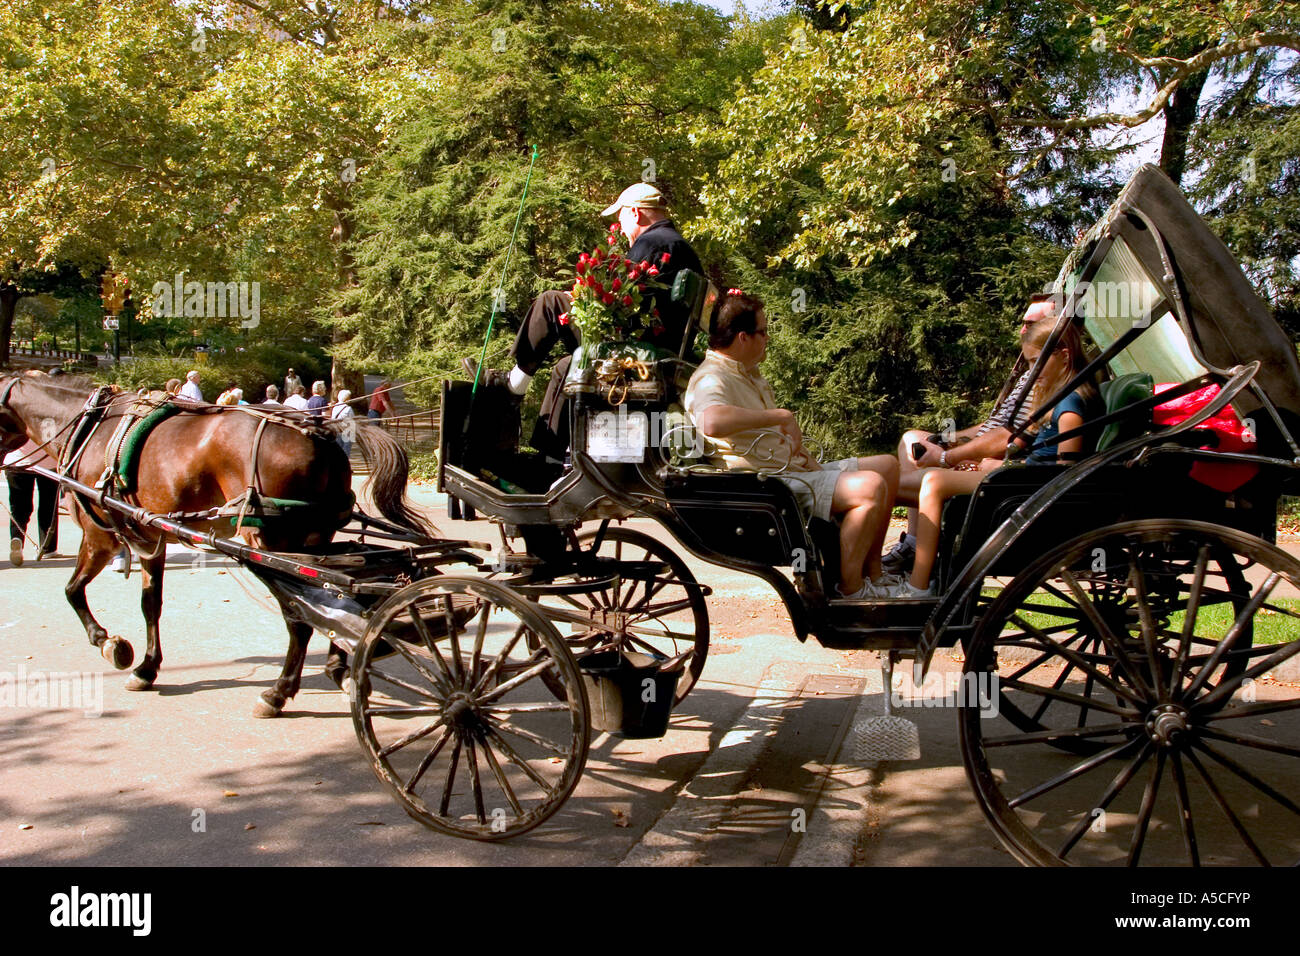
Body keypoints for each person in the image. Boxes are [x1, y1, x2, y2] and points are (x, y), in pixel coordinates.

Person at [684, 292, 904, 600]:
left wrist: (806, 456)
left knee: (889, 466)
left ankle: (874, 575)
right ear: (743, 338)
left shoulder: (747, 372)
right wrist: (781, 415)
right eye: (763, 331)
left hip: (792, 471)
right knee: (871, 487)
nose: (768, 338)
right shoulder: (711, 377)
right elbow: (711, 422)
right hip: (769, 485)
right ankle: (851, 589)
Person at [465, 183, 703, 459]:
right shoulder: (680, 246)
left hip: (634, 352)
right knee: (566, 367)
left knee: (551, 302)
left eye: (621, 219)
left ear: (635, 214)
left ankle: (512, 386)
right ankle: (550, 458)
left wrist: (581, 300)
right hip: (659, 354)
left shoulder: (653, 242)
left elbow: (619, 297)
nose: (621, 228)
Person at [902, 320, 1100, 597]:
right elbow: (1023, 440)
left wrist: (1008, 467)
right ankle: (925, 571)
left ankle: (917, 586)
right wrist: (998, 463)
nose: (1032, 372)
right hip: (1023, 479)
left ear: (1064, 356)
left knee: (933, 481)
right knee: (930, 477)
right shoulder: (1056, 398)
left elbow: (1064, 472)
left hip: (1030, 487)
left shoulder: (1071, 407)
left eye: (1036, 362)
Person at [883, 294, 1056, 574]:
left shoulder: (1048, 381)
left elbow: (1009, 439)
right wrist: (949, 438)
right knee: (912, 438)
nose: (1023, 330)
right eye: (1023, 323)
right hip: (983, 449)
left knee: (879, 486)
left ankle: (915, 569)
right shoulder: (1033, 373)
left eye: (1032, 324)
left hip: (997, 465)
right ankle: (914, 545)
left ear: (1056, 330)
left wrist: (947, 457)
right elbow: (994, 423)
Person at [5, 440, 60, 564]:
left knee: (18, 507)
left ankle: (16, 537)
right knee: (48, 505)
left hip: (15, 460)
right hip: (47, 460)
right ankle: (48, 547)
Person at [332, 389, 356, 456]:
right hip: (346, 431)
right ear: (347, 398)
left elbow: (332, 419)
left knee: (338, 449)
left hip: (337, 430)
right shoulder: (348, 409)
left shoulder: (335, 407)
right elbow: (352, 421)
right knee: (346, 451)